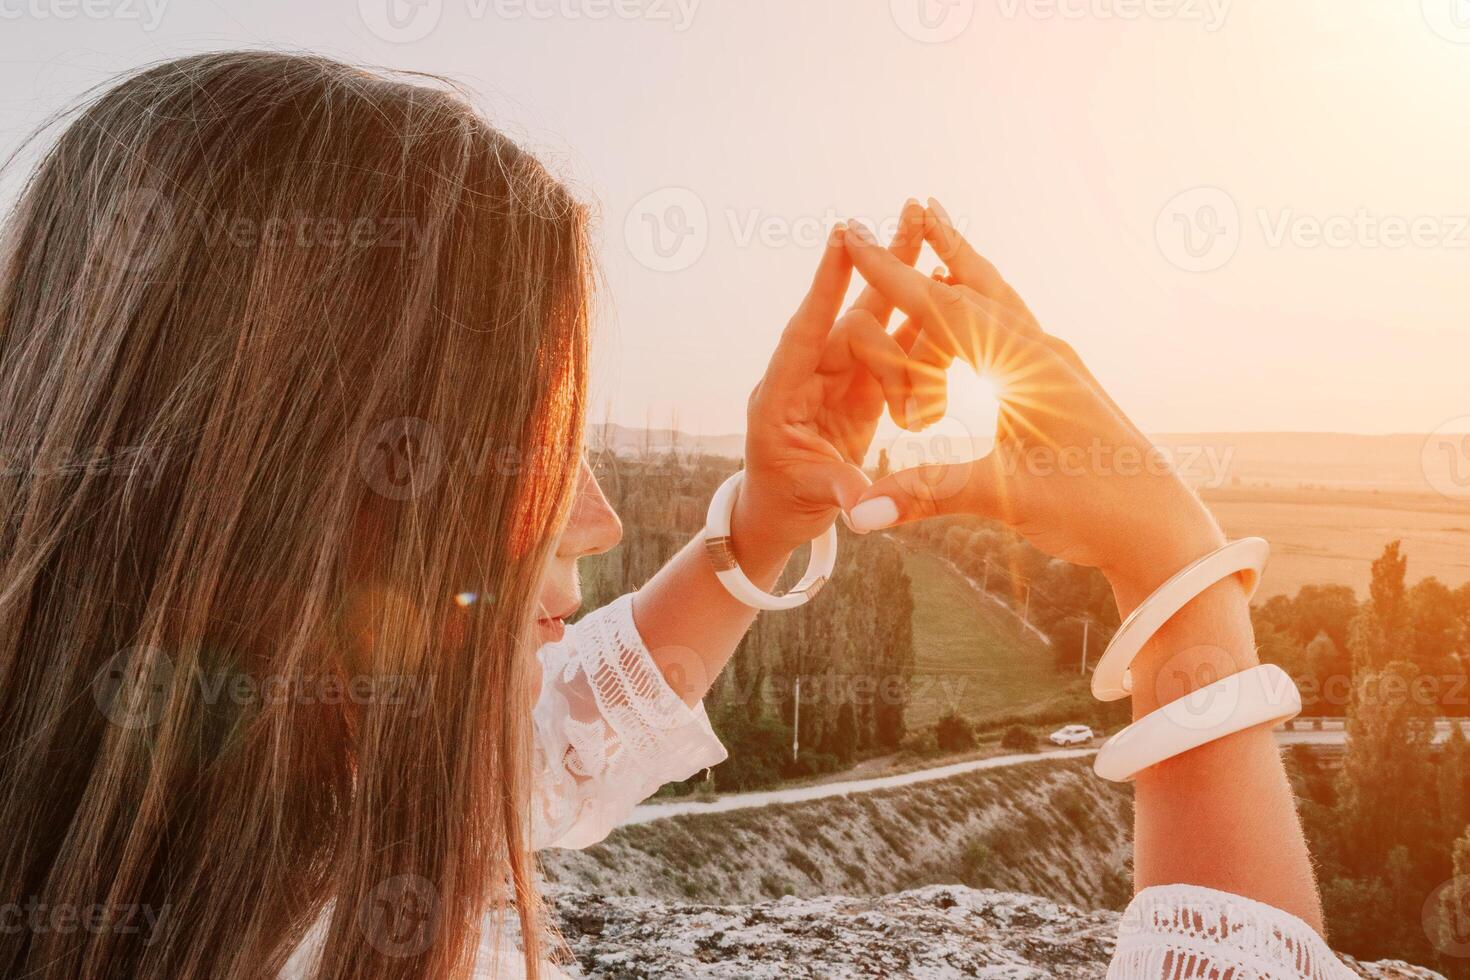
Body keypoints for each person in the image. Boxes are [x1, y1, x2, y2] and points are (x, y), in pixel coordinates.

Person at [0, 51, 1351, 979]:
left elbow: (520, 739)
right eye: (522, 453)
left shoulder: (169, 805)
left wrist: (757, 526)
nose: (593, 518)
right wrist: (1178, 588)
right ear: (298, 497)